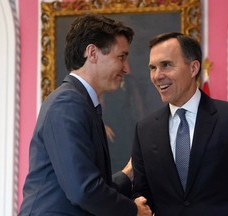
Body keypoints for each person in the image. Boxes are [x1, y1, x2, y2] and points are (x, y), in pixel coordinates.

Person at [18, 13, 152, 216]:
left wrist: (128, 174)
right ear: (92, 53)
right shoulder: (68, 104)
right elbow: (84, 191)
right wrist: (134, 211)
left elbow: (88, 187)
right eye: (121, 57)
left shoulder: (82, 103)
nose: (126, 68)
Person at [131, 32, 228, 215]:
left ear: (193, 68)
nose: (157, 76)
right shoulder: (145, 130)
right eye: (152, 68)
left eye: (166, 65)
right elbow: (142, 195)